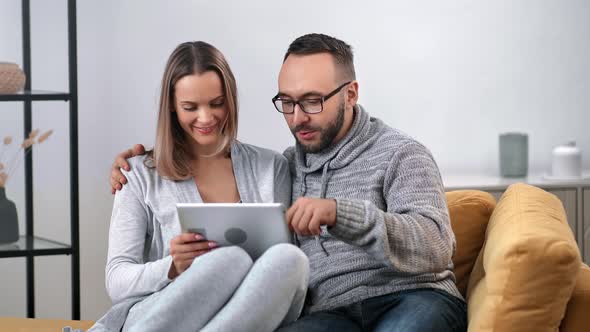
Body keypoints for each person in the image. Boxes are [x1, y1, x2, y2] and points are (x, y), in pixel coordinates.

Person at [111, 34, 467, 332]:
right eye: (287, 102)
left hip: (413, 296)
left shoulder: (401, 154)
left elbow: (436, 246)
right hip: (330, 313)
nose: (297, 117)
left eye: (312, 101)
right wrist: (138, 167)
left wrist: (342, 213)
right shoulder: (289, 165)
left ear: (351, 94)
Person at [92, 41, 309, 332]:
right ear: (171, 105)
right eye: (190, 107)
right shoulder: (138, 175)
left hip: (249, 314)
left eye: (216, 103)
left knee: (291, 258)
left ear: (230, 99)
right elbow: (117, 281)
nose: (206, 118)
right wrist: (173, 266)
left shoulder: (272, 168)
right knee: (226, 260)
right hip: (164, 315)